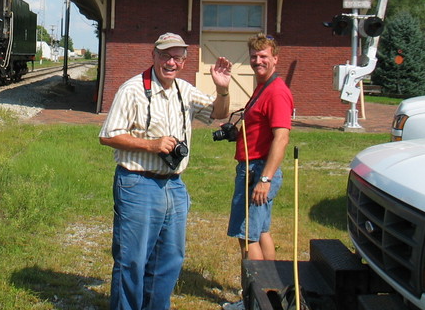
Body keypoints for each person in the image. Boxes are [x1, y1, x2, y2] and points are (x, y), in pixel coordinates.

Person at [99, 32, 233, 310]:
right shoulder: (132, 90)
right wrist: (152, 145)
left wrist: (222, 89)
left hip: (174, 185)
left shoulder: (185, 90)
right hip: (137, 182)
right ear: (154, 55)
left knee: (170, 258)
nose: (171, 62)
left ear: (184, 61)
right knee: (132, 260)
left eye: (177, 57)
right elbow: (108, 136)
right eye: (165, 56)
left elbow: (218, 114)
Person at [214, 34, 293, 310]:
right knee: (261, 233)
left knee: (246, 237)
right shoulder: (262, 87)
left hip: (258, 171)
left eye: (264, 56)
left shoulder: (277, 91)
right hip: (254, 168)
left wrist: (265, 179)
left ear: (275, 59)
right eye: (254, 56)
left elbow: (281, 138)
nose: (258, 61)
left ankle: (256, 302)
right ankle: (272, 295)